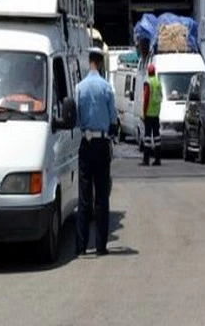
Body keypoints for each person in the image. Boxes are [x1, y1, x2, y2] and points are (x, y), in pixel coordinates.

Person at [75, 47, 117, 256]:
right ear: (100, 63)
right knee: (101, 196)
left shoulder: (79, 88)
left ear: (89, 62)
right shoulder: (106, 88)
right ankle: (101, 247)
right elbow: (112, 119)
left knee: (84, 197)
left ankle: (81, 247)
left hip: (85, 143)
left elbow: (75, 118)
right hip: (101, 144)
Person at [141, 63, 163, 166]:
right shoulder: (158, 82)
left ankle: (146, 159)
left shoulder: (148, 82)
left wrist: (144, 112)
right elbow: (161, 97)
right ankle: (158, 158)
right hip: (156, 113)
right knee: (157, 137)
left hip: (149, 114)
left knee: (147, 138)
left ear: (148, 72)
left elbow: (146, 99)